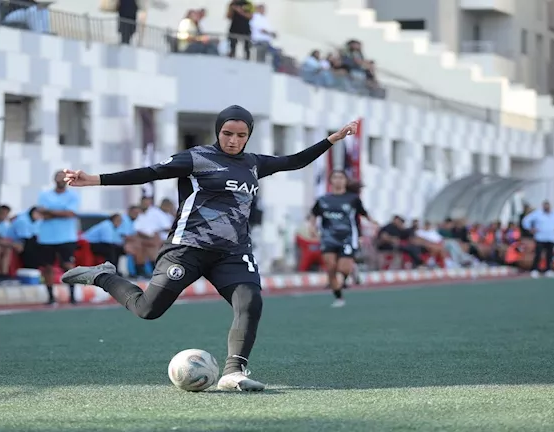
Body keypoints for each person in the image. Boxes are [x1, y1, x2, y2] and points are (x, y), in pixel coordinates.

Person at [61, 105, 358, 392]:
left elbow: (295, 161)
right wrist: (95, 180)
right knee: (147, 310)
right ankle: (102, 275)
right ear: (218, 131)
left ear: (249, 136)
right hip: (188, 248)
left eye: (241, 135)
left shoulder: (254, 163)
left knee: (250, 301)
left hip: (233, 252)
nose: (234, 140)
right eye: (228, 133)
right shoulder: (197, 158)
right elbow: (149, 172)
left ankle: (233, 372)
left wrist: (332, 139)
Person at [310, 170, 370, 307]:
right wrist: (312, 228)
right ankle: (338, 297)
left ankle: (350, 272)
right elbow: (313, 215)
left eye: (341, 178)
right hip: (328, 238)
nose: (338, 180)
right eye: (335, 177)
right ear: (330, 181)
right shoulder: (323, 199)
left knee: (343, 269)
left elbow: (363, 214)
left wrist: (372, 223)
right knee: (331, 268)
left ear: (345, 181)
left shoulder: (353, 199)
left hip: (347, 237)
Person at [37, 171, 81, 305]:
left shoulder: (73, 195)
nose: (61, 180)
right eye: (58, 177)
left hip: (66, 237)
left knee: (68, 266)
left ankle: (72, 296)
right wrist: (60, 212)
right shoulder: (45, 195)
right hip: (47, 237)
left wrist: (50, 212)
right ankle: (50, 297)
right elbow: (41, 213)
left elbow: (71, 213)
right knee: (48, 267)